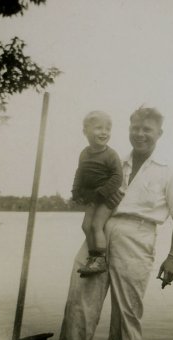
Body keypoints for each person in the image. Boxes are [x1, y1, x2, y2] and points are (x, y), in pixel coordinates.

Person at [53, 107, 173, 340]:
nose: (139, 134)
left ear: (159, 134)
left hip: (138, 236)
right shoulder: (112, 158)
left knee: (127, 311)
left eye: (147, 130)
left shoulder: (171, 171)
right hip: (99, 231)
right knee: (79, 304)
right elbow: (88, 188)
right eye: (135, 128)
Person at [71, 111, 123, 276]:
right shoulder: (84, 153)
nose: (104, 132)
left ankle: (100, 259)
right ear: (85, 131)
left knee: (96, 225)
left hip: (107, 197)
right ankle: (93, 258)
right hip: (92, 196)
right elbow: (80, 173)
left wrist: (103, 192)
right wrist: (76, 190)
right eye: (98, 128)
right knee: (85, 226)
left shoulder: (111, 154)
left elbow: (117, 177)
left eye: (107, 129)